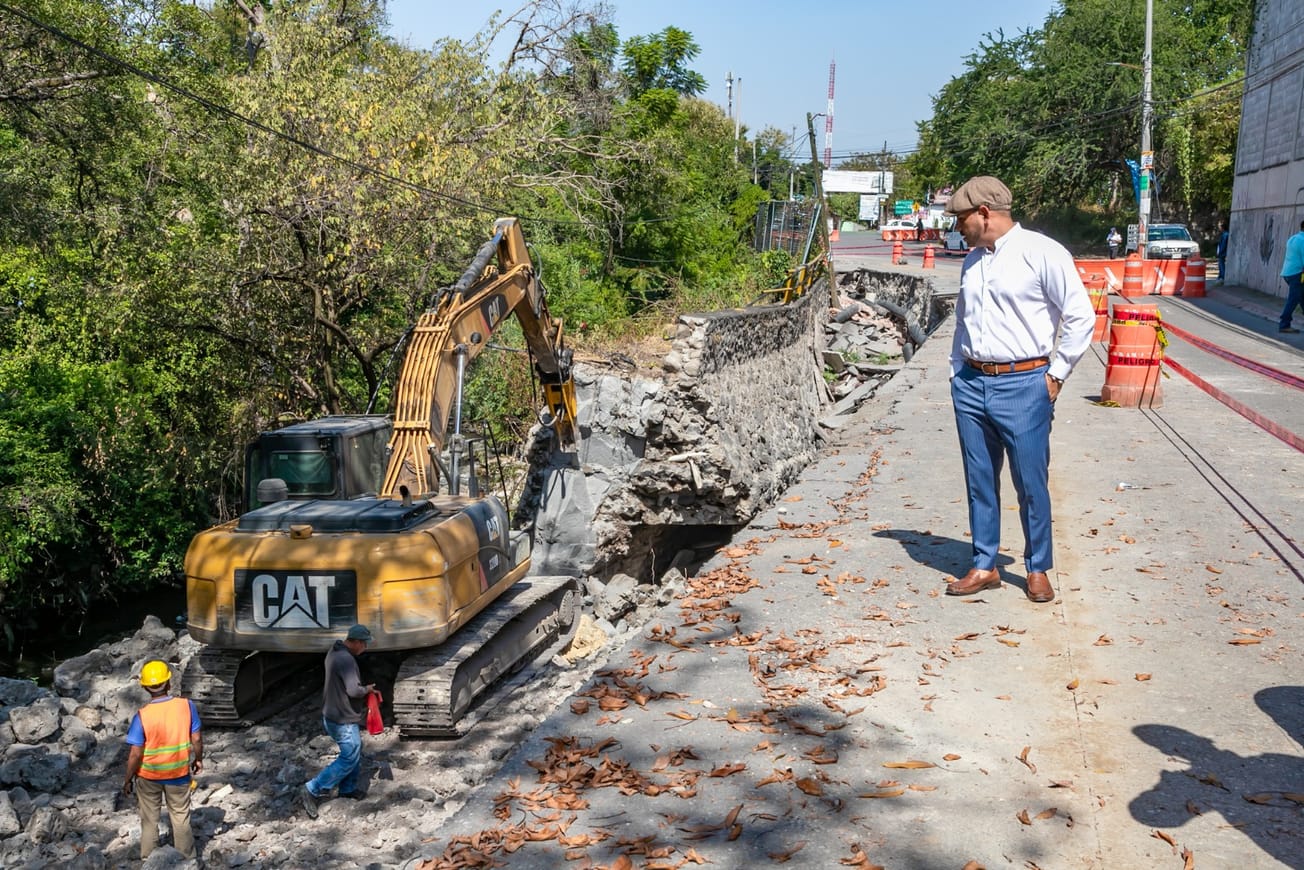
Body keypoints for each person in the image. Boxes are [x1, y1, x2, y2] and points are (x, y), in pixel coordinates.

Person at [942, 176, 1095, 604]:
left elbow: (1080, 316)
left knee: (1030, 482)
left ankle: (1038, 567)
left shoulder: (1042, 252)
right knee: (979, 479)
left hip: (1024, 383)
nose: (957, 227)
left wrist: (1056, 375)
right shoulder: (973, 261)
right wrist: (956, 372)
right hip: (971, 383)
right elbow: (963, 321)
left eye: (961, 219)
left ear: (984, 213)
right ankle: (984, 563)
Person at [122, 660, 202, 861]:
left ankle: (149, 860)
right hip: (178, 774)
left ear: (145, 687)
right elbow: (196, 738)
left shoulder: (142, 716)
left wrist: (128, 778)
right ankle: (187, 860)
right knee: (181, 818)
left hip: (148, 776)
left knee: (149, 820)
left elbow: (135, 753)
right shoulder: (186, 706)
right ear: (168, 682)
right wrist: (198, 758)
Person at [298, 623, 376, 818]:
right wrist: (367, 689)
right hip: (343, 717)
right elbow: (354, 690)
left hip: (332, 713)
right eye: (364, 644)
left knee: (354, 750)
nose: (365, 647)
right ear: (356, 642)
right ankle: (312, 788)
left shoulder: (334, 651)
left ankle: (347, 789)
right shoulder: (346, 660)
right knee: (349, 755)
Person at [1278, 219, 1304, 334]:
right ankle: (1284, 324)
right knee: (1293, 299)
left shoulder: (1292, 238)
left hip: (1287, 273)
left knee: (1301, 297)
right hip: (1297, 274)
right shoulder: (1303, 241)